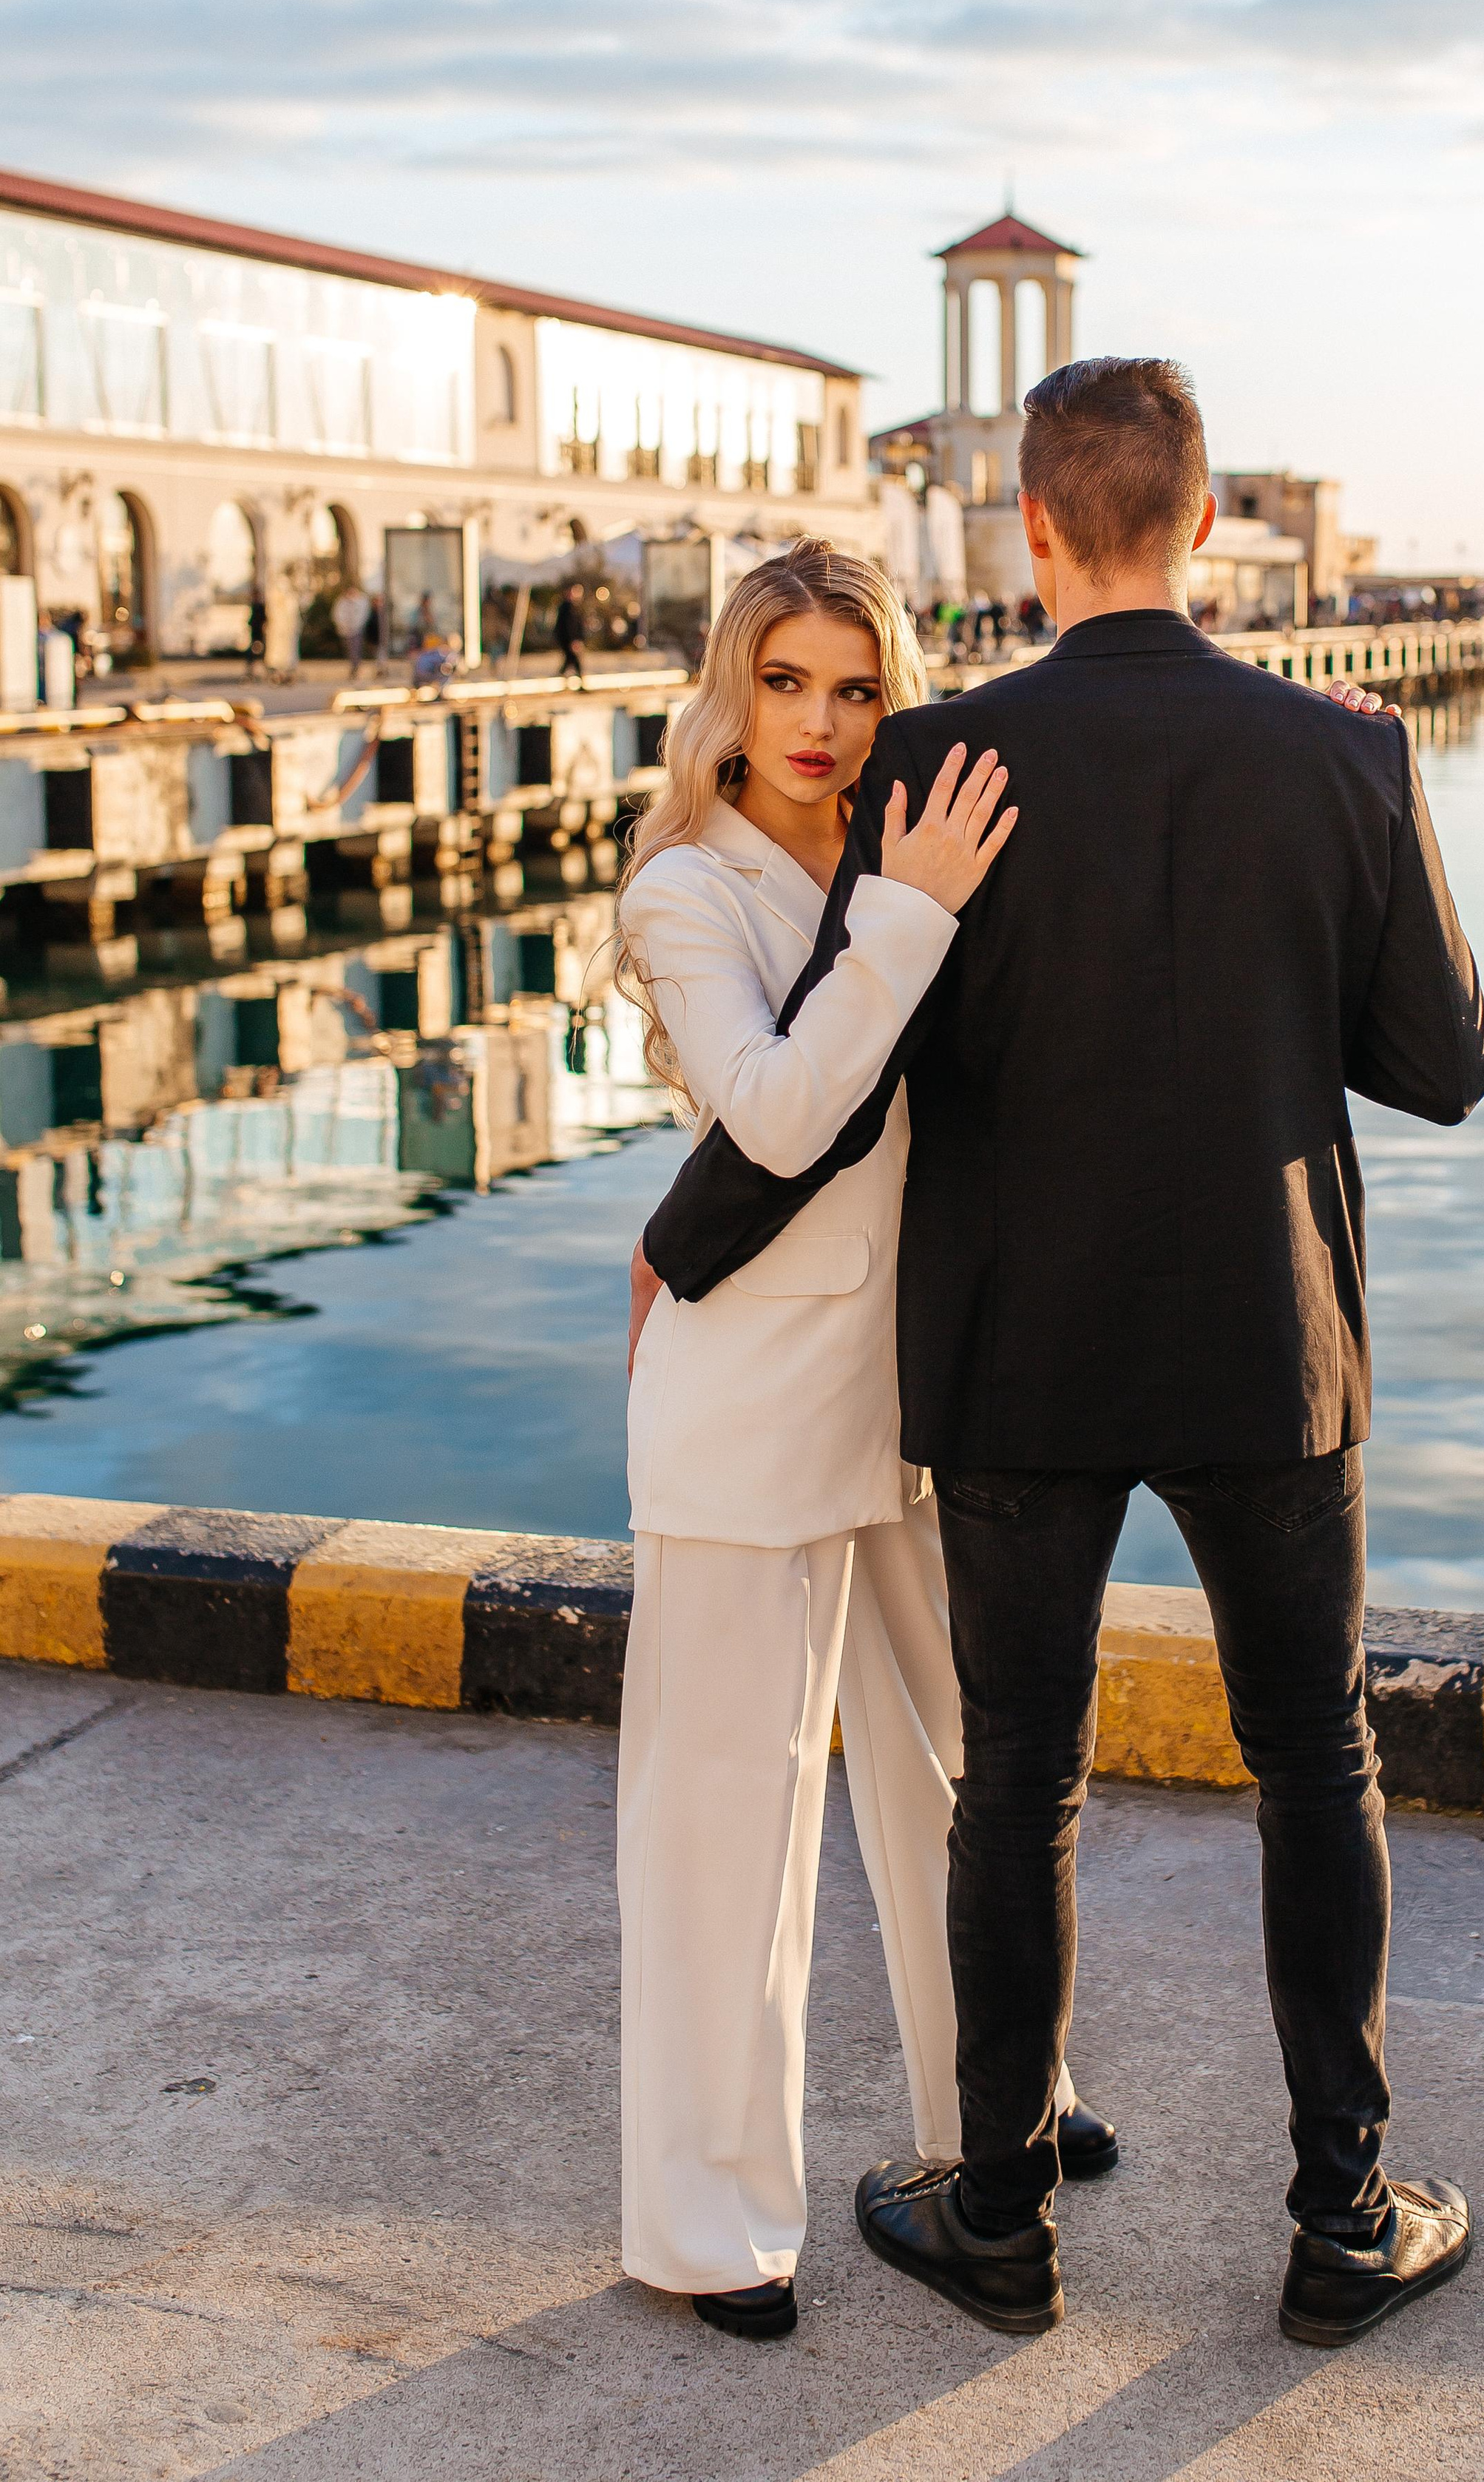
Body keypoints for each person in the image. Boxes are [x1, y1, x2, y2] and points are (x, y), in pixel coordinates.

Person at [634, 358, 1484, 2347]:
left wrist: (678, 1250)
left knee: (1015, 1781)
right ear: (1202, 521)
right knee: (1315, 1762)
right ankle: (1343, 2220)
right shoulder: (1345, 751)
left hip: (1017, 1353)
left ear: (1030, 529)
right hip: (1272, 1354)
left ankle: (1001, 2225)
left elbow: (844, 1086)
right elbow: (1444, 1067)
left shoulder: (937, 764)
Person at [614, 539, 1112, 2348]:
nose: (820, 723)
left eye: (855, 684)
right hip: (749, 1403)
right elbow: (777, 1105)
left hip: (923, 1386)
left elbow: (1148, 766)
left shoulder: (919, 835)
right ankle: (704, 2221)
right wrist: (905, 910)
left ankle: (1003, 2109)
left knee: (970, 1773)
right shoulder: (689, 884)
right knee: (727, 1824)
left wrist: (1335, 725)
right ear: (730, 696)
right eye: (786, 681)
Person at [331, 583, 370, 680]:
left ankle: (356, 667)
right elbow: (337, 615)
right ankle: (353, 666)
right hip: (345, 630)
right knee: (349, 649)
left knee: (356, 649)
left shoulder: (361, 601)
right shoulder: (342, 602)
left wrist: (356, 626)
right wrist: (343, 625)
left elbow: (363, 616)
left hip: (356, 630)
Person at [555, 581, 587, 682]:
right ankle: (580, 680)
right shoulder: (567, 607)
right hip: (568, 639)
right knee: (573, 658)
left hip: (569, 639)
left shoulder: (573, 607)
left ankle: (563, 676)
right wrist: (573, 640)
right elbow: (569, 626)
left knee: (570, 659)